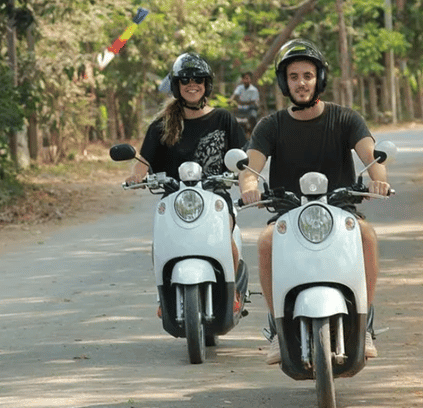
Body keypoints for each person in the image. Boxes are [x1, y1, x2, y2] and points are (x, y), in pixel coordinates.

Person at [238, 38, 390, 364]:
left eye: (307, 75)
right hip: (289, 214)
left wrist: (379, 177)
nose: (301, 83)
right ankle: (278, 329)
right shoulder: (270, 125)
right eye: (294, 76)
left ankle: (364, 325)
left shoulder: (346, 119)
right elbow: (251, 168)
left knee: (367, 236)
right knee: (265, 242)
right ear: (284, 82)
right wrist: (249, 186)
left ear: (319, 78)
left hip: (340, 209)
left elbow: (370, 154)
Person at [125, 52, 248, 314]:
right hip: (174, 198)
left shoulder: (223, 119)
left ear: (207, 84)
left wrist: (244, 178)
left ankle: (232, 289)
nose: (192, 85)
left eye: (198, 80)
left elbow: (243, 158)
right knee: (161, 241)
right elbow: (144, 160)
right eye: (185, 80)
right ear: (176, 86)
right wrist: (137, 175)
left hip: (215, 195)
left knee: (225, 236)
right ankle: (164, 295)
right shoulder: (161, 124)